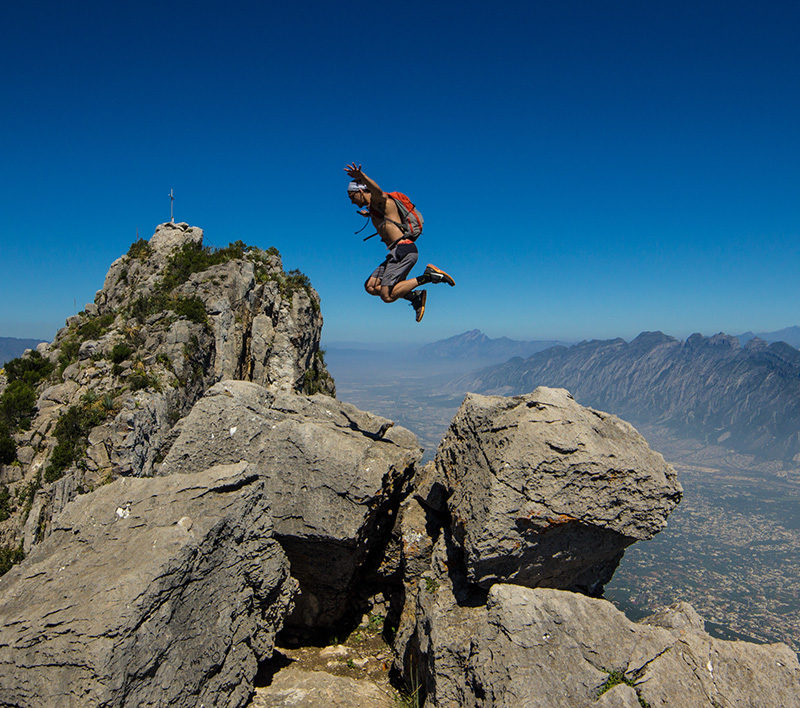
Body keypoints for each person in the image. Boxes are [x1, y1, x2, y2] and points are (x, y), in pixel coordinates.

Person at [344, 163, 455, 322]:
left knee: (387, 296)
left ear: (360, 191)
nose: (352, 202)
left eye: (352, 196)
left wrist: (362, 177)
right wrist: (368, 215)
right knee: (370, 286)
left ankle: (429, 277)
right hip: (395, 253)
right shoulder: (375, 209)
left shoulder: (381, 201)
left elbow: (378, 192)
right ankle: (414, 297)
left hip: (404, 250)